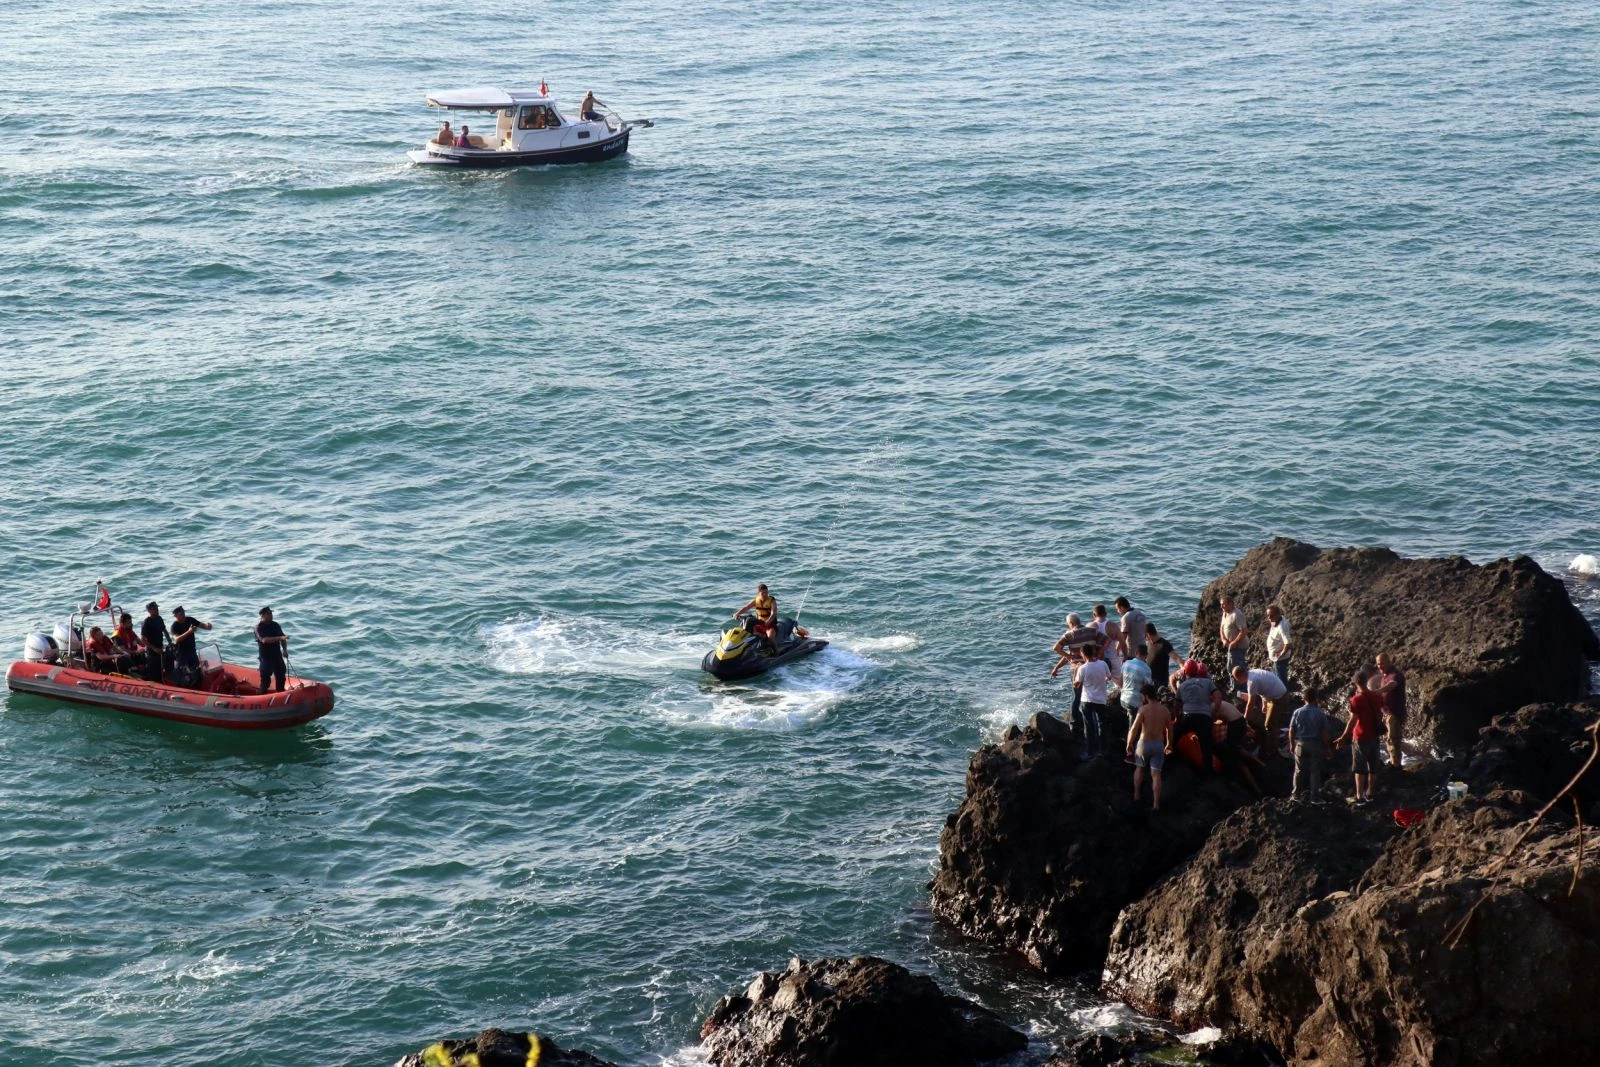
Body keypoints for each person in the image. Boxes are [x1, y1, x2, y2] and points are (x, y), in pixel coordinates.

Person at [1334, 669, 1385, 805]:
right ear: (1366, 681)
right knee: (1373, 766)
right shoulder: (1376, 696)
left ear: (1355, 683)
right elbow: (1380, 711)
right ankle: (1370, 793)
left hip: (1361, 737)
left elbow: (1353, 720)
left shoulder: (1356, 699)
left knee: (1359, 768)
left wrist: (1343, 736)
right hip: (1375, 735)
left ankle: (1359, 796)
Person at [1126, 686, 1174, 810]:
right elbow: (1170, 730)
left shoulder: (1143, 709)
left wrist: (1129, 743)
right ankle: (1156, 805)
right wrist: (1169, 744)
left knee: (1139, 769)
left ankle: (1136, 796)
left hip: (1143, 744)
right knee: (1156, 774)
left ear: (1146, 696)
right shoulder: (1165, 710)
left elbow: (1134, 728)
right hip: (1158, 744)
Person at [1173, 659, 1221, 772]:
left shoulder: (1182, 685)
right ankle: (1209, 773)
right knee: (1206, 746)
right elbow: (1218, 697)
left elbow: (1176, 705)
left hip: (1187, 717)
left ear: (1185, 672)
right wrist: (1214, 713)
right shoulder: (1208, 683)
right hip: (1204, 718)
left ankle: (1169, 759)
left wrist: (1177, 718)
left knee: (1174, 736)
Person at [1232, 665, 1289, 758]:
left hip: (1279, 698)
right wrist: (1264, 704)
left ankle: (1271, 752)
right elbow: (1263, 689)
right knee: (1268, 720)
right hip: (1275, 695)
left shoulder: (1251, 682)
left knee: (1269, 725)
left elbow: (1250, 704)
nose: (1236, 680)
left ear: (1240, 676)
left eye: (1236, 678)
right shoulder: (1252, 673)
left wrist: (1244, 719)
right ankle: (1274, 738)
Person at [1287, 687, 1330, 804]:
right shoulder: (1320, 713)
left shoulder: (1297, 712)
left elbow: (1291, 730)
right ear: (1316, 698)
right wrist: (1327, 749)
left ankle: (1295, 795)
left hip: (1300, 743)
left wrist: (1291, 744)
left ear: (1304, 698)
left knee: (1298, 770)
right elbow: (1324, 734)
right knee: (1315, 771)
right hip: (1315, 744)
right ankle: (1315, 797)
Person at [1074, 645, 1112, 761]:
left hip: (1087, 700)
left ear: (1083, 654)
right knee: (1102, 724)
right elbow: (1109, 677)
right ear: (1093, 652)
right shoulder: (1103, 664)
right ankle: (1102, 750)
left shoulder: (1082, 668)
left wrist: (1076, 670)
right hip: (1101, 699)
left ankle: (1090, 752)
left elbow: (1076, 685)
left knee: (1089, 726)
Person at [1374, 653, 1408, 769]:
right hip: (1385, 713)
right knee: (1387, 739)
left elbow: (1392, 685)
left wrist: (1378, 691)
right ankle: (1392, 762)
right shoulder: (1384, 675)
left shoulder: (1396, 674)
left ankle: (1396, 765)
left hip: (1394, 713)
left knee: (1393, 739)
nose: (1380, 666)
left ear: (1389, 662)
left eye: (1382, 663)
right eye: (1378, 664)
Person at [733, 583, 780, 648]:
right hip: (759, 623)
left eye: (766, 592)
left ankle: (776, 651)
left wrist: (768, 621)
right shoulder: (756, 601)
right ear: (758, 593)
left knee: (770, 636)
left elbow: (773, 613)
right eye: (763, 593)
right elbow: (746, 608)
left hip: (770, 625)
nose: (765, 594)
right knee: (747, 632)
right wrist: (737, 613)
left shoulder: (772, 601)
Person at [169, 606, 213, 676]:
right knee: (181, 673)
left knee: (196, 670)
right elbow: (177, 639)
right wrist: (189, 632)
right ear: (175, 616)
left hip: (192, 650)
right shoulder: (174, 626)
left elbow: (202, 625)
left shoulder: (190, 620)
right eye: (181, 613)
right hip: (182, 653)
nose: (183, 614)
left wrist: (208, 626)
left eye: (183, 612)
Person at [255, 606, 289, 694]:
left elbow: (283, 638)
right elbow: (264, 640)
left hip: (277, 655)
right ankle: (261, 696)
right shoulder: (258, 628)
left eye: (271, 613)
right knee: (265, 682)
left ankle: (280, 694)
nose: (271, 615)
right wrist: (280, 638)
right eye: (268, 614)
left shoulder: (275, 625)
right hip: (266, 658)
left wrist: (285, 650)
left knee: (281, 675)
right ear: (262, 616)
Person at [1219, 595, 1249, 677]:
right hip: (1230, 646)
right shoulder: (1225, 613)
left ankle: (1239, 684)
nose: (1221, 606)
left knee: (1235, 669)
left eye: (1223, 604)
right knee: (1231, 668)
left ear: (1231, 604)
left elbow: (1244, 631)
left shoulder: (1237, 614)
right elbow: (1222, 628)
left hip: (1238, 647)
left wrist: (1234, 643)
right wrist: (1224, 640)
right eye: (1221, 604)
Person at [140, 602, 169, 683]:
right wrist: (154, 648)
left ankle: (162, 682)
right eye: (155, 609)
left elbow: (164, 630)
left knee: (161, 668)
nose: (157, 610)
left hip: (160, 648)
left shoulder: (159, 618)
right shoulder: (146, 622)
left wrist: (170, 642)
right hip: (152, 651)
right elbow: (143, 639)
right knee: (153, 672)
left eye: (157, 608)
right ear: (149, 610)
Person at [1265, 605, 1293, 685]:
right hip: (1275, 658)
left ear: (1278, 615)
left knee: (1281, 680)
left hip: (1280, 659)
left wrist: (1280, 654)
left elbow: (1288, 643)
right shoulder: (1276, 620)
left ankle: (1284, 692)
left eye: (1271, 616)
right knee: (1276, 678)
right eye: (1268, 616)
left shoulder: (1282, 627)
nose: (1269, 618)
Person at [1144, 622, 1175, 687]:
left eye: (1144, 635)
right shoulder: (1149, 643)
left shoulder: (1164, 644)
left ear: (1147, 634)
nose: (1144, 638)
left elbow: (1176, 658)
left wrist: (1183, 667)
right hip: (1149, 679)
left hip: (1160, 681)